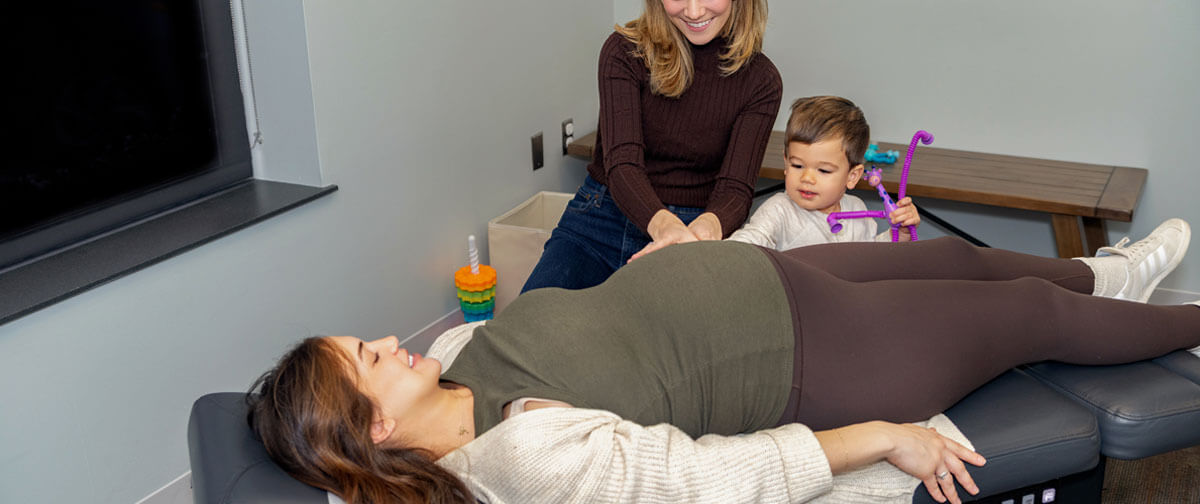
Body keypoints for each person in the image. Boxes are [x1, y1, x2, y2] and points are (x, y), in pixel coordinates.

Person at [249, 221, 1199, 504]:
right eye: (364, 360)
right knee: (1025, 313)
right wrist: (876, 439)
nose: (382, 342)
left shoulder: (455, 354)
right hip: (817, 358)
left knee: (960, 256)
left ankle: (1108, 271)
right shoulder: (518, 456)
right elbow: (705, 480)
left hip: (769, 276)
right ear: (371, 423)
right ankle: (1181, 318)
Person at [521, 0, 782, 292]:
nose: (694, 11)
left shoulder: (761, 81)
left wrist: (694, 236)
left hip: (700, 227)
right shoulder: (622, 53)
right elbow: (623, 164)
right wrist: (664, 228)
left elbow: (735, 190)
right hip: (604, 215)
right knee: (530, 328)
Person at [728, 95, 920, 250]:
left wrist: (900, 235)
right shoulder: (779, 211)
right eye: (797, 166)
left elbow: (870, 258)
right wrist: (720, 252)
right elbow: (749, 242)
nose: (807, 178)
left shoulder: (858, 211)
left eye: (823, 170)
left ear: (852, 176)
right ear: (786, 163)